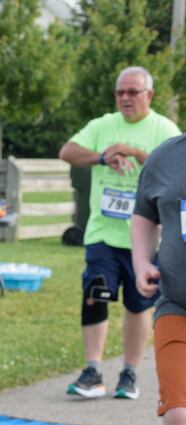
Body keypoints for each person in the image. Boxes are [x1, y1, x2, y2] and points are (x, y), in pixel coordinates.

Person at [58, 67, 180, 400]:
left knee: (138, 304)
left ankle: (129, 373)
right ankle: (93, 371)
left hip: (145, 235)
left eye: (133, 92)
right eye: (120, 93)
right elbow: (67, 152)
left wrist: (136, 154)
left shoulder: (164, 129)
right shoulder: (102, 125)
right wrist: (101, 156)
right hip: (102, 231)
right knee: (95, 292)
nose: (125, 98)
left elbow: (176, 166)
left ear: (150, 96)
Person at [129, 133, 186, 425]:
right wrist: (141, 260)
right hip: (177, 304)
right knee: (178, 414)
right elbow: (144, 214)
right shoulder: (167, 156)